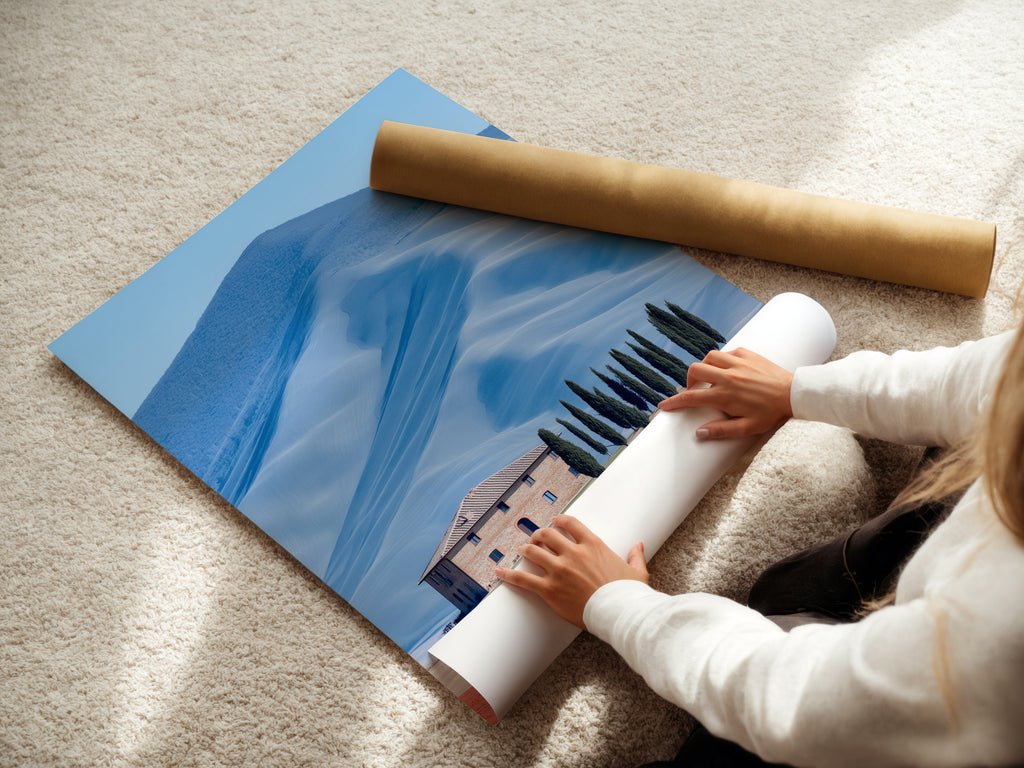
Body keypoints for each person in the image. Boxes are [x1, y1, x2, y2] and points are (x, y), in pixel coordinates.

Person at [495, 324, 1024, 767]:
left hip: (945, 716)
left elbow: (794, 701)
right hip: (947, 611)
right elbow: (983, 378)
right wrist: (797, 390)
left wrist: (618, 604)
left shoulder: (998, 638)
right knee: (785, 591)